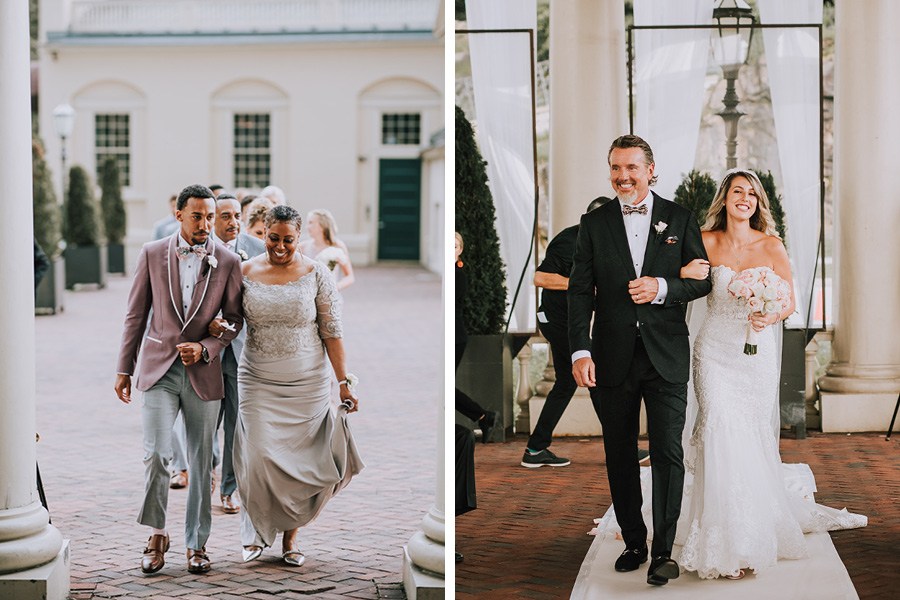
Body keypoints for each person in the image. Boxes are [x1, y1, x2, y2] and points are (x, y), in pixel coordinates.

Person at [671, 169, 867, 579]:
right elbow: (682, 284)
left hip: (755, 353)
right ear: (724, 199)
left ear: (759, 203)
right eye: (737, 191)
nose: (745, 199)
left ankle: (749, 534)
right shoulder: (705, 242)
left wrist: (769, 313)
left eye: (752, 194)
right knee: (719, 429)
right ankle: (719, 536)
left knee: (750, 434)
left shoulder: (771, 244)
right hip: (713, 351)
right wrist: (684, 273)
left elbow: (789, 301)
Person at [568, 135, 712, 586]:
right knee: (619, 453)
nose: (623, 176)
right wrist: (579, 349)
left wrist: (663, 287)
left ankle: (664, 551)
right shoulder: (593, 223)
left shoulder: (680, 218)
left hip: (666, 354)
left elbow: (703, 279)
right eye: (615, 168)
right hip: (610, 357)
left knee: (668, 451)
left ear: (651, 170)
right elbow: (577, 291)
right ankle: (634, 541)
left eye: (632, 167)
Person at [220, 204, 364, 566]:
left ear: (299, 238)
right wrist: (217, 328)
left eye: (288, 240)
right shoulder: (244, 270)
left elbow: (332, 332)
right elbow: (232, 321)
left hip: (306, 382)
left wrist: (344, 383)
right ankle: (254, 530)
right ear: (263, 233)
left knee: (299, 464)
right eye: (273, 239)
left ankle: (289, 539)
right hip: (257, 378)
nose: (280, 247)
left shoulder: (316, 273)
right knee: (257, 458)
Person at [114, 184, 243, 575]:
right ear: (179, 215)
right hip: (158, 370)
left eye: (210, 216)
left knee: (203, 462)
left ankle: (197, 543)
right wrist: (125, 367)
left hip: (204, 374)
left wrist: (207, 346)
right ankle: (157, 533)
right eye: (197, 216)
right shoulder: (152, 254)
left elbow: (235, 320)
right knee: (156, 454)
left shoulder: (227, 261)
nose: (205, 224)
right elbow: (136, 314)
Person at [521, 196, 611, 468]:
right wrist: (580, 284)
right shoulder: (568, 240)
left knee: (566, 382)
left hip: (572, 321)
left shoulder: (603, 244)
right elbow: (541, 278)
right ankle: (622, 449)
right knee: (595, 377)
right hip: (556, 320)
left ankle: (536, 449)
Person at [208, 193, 266, 514]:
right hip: (207, 351)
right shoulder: (201, 248)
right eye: (225, 216)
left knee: (235, 423)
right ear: (212, 219)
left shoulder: (257, 250)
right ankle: (207, 472)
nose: (233, 222)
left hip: (242, 350)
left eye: (236, 216)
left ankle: (229, 487)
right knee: (203, 422)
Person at [455, 232, 499, 443]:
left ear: (460, 250)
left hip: (456, 336)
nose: (451, 250)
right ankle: (483, 416)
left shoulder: (458, 274)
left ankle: (483, 416)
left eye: (454, 246)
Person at [300, 209, 355, 291]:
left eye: (310, 223)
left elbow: (349, 276)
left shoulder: (338, 246)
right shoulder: (302, 247)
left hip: (329, 296)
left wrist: (336, 287)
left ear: (322, 226)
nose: (307, 227)